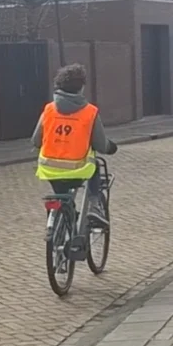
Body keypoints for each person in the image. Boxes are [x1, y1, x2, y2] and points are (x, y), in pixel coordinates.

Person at [31, 63, 118, 228]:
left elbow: (35, 141)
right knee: (95, 164)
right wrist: (111, 147)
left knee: (61, 196)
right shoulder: (89, 112)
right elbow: (100, 145)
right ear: (81, 87)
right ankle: (94, 205)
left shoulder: (48, 110)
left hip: (49, 170)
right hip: (78, 170)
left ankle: (60, 223)